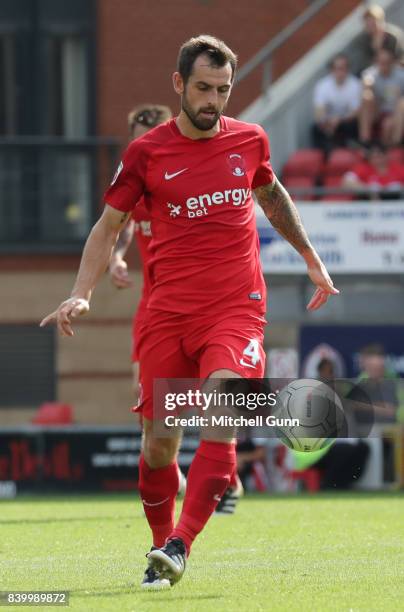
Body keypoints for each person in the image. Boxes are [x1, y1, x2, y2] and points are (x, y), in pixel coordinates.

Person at [40, 34, 339, 588]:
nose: (214, 100)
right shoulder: (146, 153)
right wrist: (83, 290)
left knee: (223, 415)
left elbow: (272, 196)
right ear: (179, 84)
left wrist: (310, 257)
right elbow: (108, 227)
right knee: (159, 444)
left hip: (237, 310)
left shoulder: (250, 141)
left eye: (223, 90)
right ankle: (159, 547)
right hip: (168, 315)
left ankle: (181, 543)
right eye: (204, 88)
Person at [110, 102, 241, 513]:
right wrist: (115, 258)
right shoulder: (134, 178)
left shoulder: (176, 177)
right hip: (153, 305)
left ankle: (226, 477)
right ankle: (171, 474)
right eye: (134, 138)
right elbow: (119, 225)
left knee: (208, 393)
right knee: (146, 397)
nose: (139, 146)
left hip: (195, 303)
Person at [312, 54, 361, 152]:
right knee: (315, 129)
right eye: (337, 68)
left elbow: (356, 111)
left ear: (348, 69)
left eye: (343, 68)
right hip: (329, 122)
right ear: (331, 70)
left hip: (347, 121)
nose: (340, 72)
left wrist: (339, 120)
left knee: (352, 126)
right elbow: (319, 110)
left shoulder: (355, 84)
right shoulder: (322, 85)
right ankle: (326, 152)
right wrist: (325, 121)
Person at [359, 48, 404, 146]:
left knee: (401, 105)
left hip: (396, 113)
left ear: (392, 62)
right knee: (367, 97)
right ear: (376, 62)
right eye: (381, 62)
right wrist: (368, 88)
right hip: (377, 111)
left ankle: (396, 143)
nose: (384, 66)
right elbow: (367, 83)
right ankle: (364, 140)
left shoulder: (401, 75)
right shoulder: (370, 74)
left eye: (387, 62)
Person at [355, 4, 404, 74]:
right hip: (378, 71)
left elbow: (400, 55)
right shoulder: (364, 40)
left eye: (372, 22)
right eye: (368, 23)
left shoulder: (393, 36)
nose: (370, 26)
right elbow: (365, 61)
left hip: (396, 67)